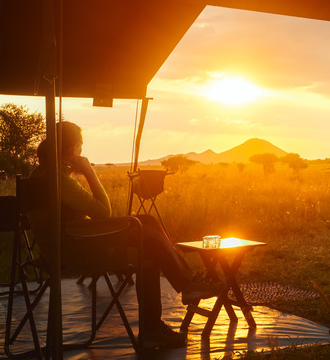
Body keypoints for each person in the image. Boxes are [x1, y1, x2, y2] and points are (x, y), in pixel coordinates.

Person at [31, 121, 222, 351]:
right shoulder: (60, 180)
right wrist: (90, 170)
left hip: (62, 247)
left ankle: (174, 302)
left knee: (146, 231)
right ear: (72, 149)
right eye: (80, 145)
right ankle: (171, 305)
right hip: (75, 252)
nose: (82, 151)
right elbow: (103, 212)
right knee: (146, 240)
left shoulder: (39, 174)